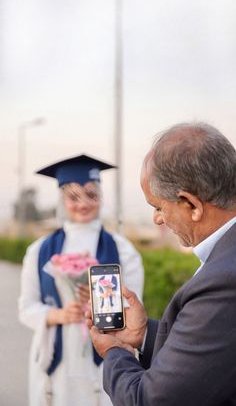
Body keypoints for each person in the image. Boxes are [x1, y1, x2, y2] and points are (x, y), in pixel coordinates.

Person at [87, 122, 236, 406]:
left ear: (191, 205)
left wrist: (114, 352)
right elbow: (213, 350)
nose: (157, 219)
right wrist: (144, 335)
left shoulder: (224, 280)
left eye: (158, 207)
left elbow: (152, 400)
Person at [18, 154, 144, 406]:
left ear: (101, 197)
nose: (83, 203)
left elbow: (134, 307)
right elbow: (26, 307)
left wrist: (99, 303)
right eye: (73, 196)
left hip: (104, 351)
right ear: (62, 200)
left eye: (91, 194)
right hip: (57, 354)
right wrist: (59, 315)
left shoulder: (123, 250)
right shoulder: (39, 250)